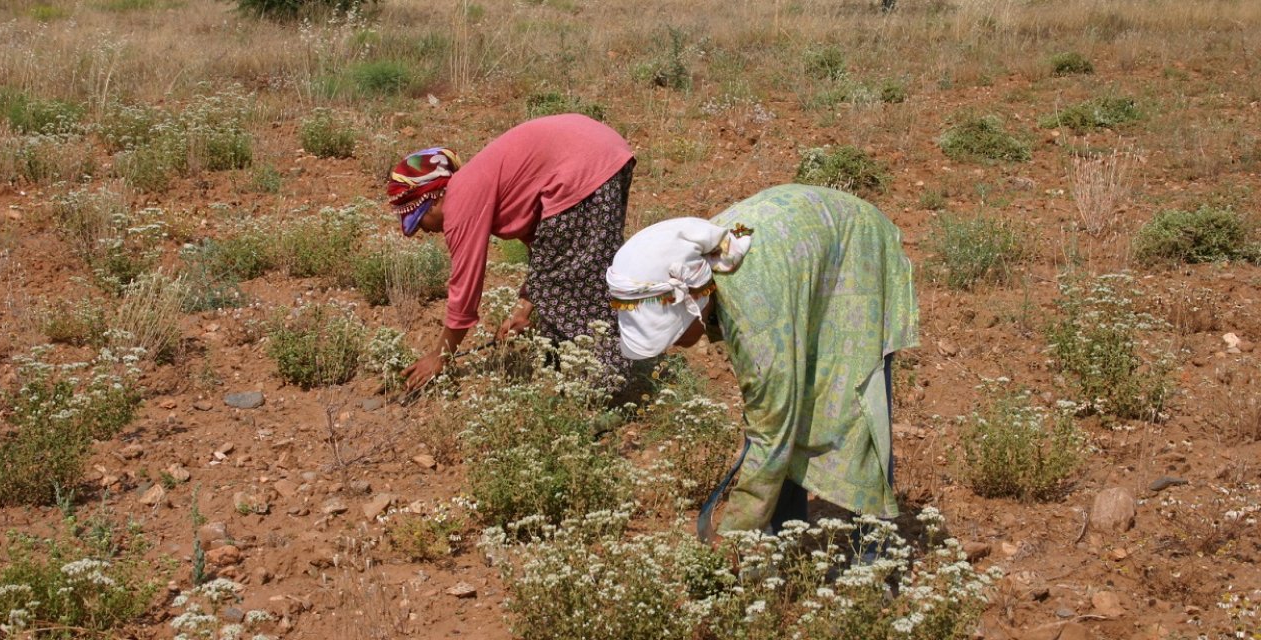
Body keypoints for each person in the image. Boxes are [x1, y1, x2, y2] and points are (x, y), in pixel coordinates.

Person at [606, 184, 919, 538]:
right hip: (806, 246)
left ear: (694, 295)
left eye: (671, 334)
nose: (671, 347)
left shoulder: (756, 315)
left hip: (854, 249)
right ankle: (784, 533)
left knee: (855, 403)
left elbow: (772, 426)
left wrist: (736, 534)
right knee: (790, 400)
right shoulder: (706, 261)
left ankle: (874, 558)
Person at [389, 114, 636, 392]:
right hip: (603, 152)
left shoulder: (459, 199)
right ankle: (576, 370)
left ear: (430, 200)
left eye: (417, 220)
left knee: (575, 283)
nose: (422, 230)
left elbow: (465, 287)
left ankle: (604, 385)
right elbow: (544, 251)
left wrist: (441, 355)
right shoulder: (483, 181)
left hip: (585, 163)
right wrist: (523, 309)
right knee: (570, 275)